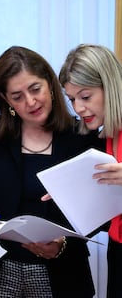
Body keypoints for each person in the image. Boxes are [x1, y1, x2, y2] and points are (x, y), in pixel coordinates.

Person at [0, 46, 100, 297]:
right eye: (17, 96)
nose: (30, 102)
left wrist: (62, 244)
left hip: (63, 274)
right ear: (5, 99)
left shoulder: (83, 136)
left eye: (35, 89)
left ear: (50, 84)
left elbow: (98, 213)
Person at [59, 43, 122, 298]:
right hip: (117, 249)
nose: (78, 108)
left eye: (85, 97)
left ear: (111, 86)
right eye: (72, 99)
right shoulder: (106, 134)